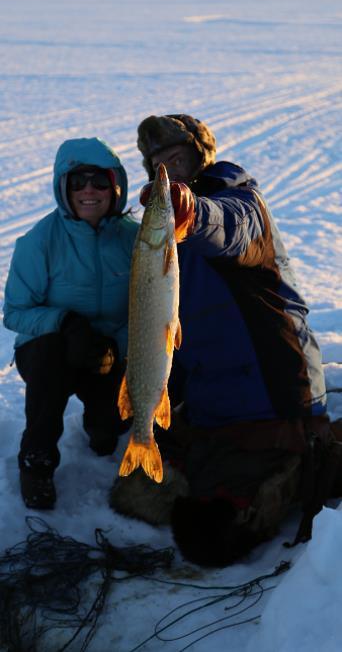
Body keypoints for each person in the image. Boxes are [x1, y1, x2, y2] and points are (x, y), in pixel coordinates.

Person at [110, 113, 342, 566]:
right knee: (133, 495)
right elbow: (167, 334)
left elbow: (229, 226)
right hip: (215, 408)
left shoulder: (236, 197)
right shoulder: (170, 250)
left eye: (177, 157)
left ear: (200, 155)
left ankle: (311, 460)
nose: (169, 169)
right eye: (158, 162)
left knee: (208, 538)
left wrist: (192, 211)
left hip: (272, 401)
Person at [3, 137, 139, 511]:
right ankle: (37, 463)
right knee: (49, 358)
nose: (89, 191)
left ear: (115, 185)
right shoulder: (39, 241)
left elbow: (147, 308)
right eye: (78, 181)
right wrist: (64, 321)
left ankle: (100, 423)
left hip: (108, 351)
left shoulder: (134, 239)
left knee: (108, 436)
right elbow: (14, 312)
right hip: (52, 350)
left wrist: (117, 346)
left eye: (99, 180)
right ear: (64, 187)